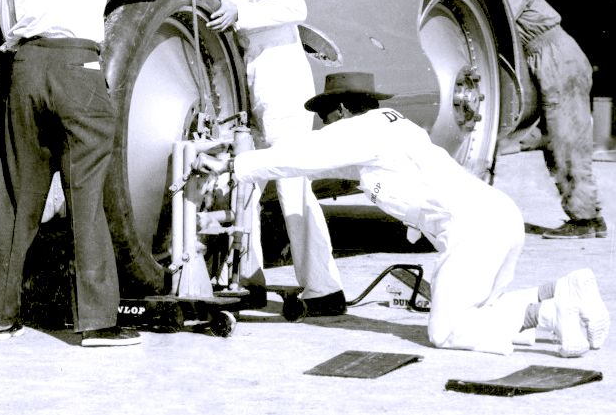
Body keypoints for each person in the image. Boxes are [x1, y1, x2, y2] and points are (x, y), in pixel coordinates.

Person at [196, 71, 610, 356]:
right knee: (479, 311)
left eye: (324, 118)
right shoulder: (397, 127)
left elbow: (302, 157)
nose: (323, 127)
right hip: (498, 216)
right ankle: (563, 290)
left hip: (474, 230)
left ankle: (555, 314)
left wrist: (236, 166)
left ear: (340, 110)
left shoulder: (361, 130)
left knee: (445, 331)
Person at [0, 0, 170, 347]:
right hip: (79, 67)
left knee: (17, 196)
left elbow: (7, 19)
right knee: (87, 196)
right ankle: (97, 322)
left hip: (25, 67)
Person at [161, 0, 343, 311]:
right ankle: (249, 280)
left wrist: (242, 14)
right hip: (252, 89)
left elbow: (296, 8)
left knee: (293, 183)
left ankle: (324, 288)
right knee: (245, 183)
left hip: (282, 84)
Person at [465, 0, 607, 240]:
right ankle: (587, 216)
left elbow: (496, 23)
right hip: (546, 58)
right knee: (558, 143)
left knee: (567, 140)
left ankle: (585, 219)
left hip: (556, 57)